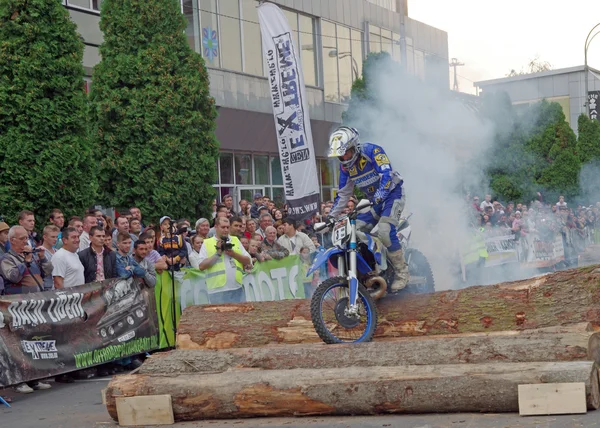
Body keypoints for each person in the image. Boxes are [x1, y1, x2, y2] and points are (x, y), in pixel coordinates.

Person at [327, 126, 408, 291]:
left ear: (354, 146)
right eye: (340, 155)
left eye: (346, 152)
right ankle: (372, 270)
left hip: (393, 195)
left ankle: (402, 272)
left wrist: (379, 195)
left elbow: (386, 175)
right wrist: (331, 217)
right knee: (353, 229)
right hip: (374, 202)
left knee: (385, 230)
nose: (344, 157)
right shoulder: (345, 167)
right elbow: (343, 194)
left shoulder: (373, 151)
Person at [198, 217, 251, 304]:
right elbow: (201, 266)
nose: (226, 230)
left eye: (227, 227)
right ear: (216, 227)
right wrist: (218, 253)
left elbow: (247, 260)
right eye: (223, 227)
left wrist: (233, 254)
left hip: (237, 287)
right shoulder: (207, 243)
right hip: (217, 290)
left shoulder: (235, 240)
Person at [41, 225, 60, 290]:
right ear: (45, 237)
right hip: (46, 286)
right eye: (52, 237)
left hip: (57, 285)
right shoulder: (39, 252)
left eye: (56, 237)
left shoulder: (58, 251)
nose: (55, 239)